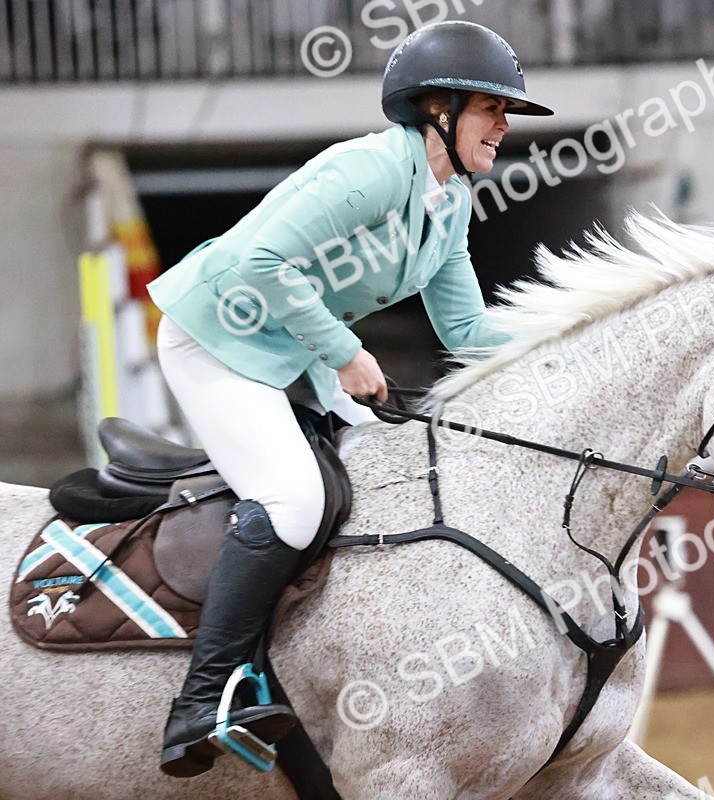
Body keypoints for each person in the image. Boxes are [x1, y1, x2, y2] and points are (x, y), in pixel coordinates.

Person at [147, 21, 553, 777]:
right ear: (439, 107)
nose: (505, 127)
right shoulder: (366, 171)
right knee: (295, 500)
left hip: (291, 351)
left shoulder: (449, 201)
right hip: (216, 337)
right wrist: (347, 353)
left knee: (383, 472)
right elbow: (264, 259)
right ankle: (200, 702)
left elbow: (464, 325)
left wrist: (564, 346)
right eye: (493, 109)